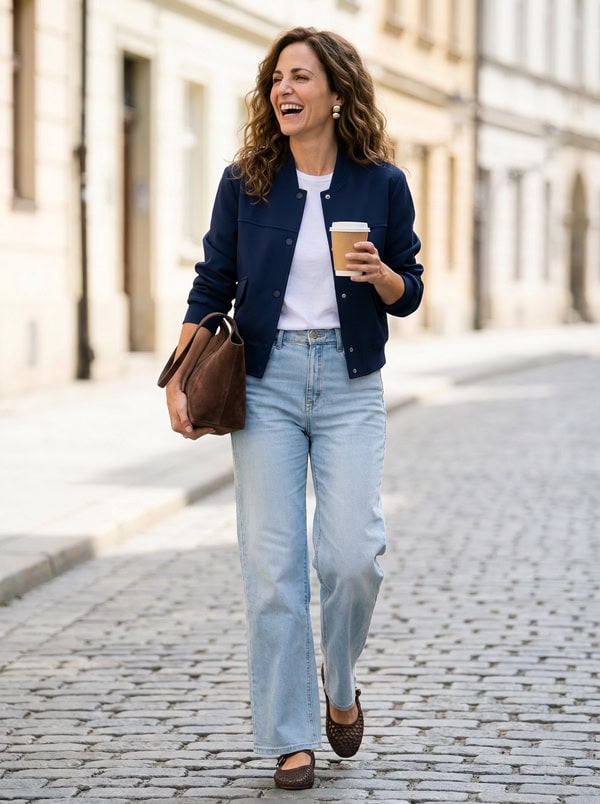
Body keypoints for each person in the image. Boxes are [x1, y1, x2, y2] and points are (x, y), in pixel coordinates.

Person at [166, 26, 423, 790]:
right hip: (268, 382)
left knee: (352, 557)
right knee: (273, 568)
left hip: (348, 386)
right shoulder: (245, 180)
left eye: (302, 77)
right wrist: (181, 377)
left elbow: (410, 290)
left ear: (336, 94)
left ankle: (339, 685)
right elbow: (212, 285)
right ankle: (290, 737)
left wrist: (381, 276)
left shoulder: (383, 184)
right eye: (278, 77)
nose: (285, 89)